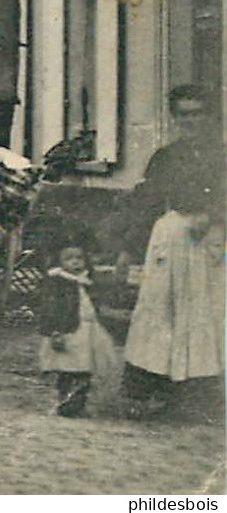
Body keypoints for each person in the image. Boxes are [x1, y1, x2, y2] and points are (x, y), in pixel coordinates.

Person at [120, 85, 224, 422]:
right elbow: (147, 203)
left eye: (197, 113)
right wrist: (127, 248)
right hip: (173, 239)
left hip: (213, 244)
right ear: (174, 118)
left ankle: (200, 395)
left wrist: (212, 214)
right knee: (160, 310)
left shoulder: (222, 156)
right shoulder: (165, 158)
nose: (190, 120)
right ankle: (150, 388)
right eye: (184, 114)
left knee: (207, 313)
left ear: (209, 117)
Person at [37, 241, 117, 418]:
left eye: (79, 258)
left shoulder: (87, 280)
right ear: (59, 262)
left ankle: (79, 402)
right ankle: (64, 399)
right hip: (68, 331)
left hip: (88, 331)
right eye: (69, 259)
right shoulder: (57, 282)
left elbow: (95, 304)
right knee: (66, 368)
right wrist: (54, 331)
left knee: (84, 368)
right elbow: (50, 308)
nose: (75, 262)